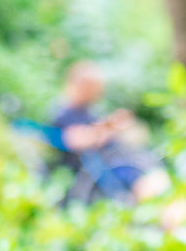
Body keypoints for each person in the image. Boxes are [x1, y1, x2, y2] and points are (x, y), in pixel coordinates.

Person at [49, 61, 166, 202]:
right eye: (93, 87)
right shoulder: (64, 112)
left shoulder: (88, 111)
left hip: (115, 162)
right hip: (97, 169)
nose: (97, 92)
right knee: (149, 181)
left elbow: (99, 134)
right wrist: (107, 127)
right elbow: (76, 140)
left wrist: (115, 127)